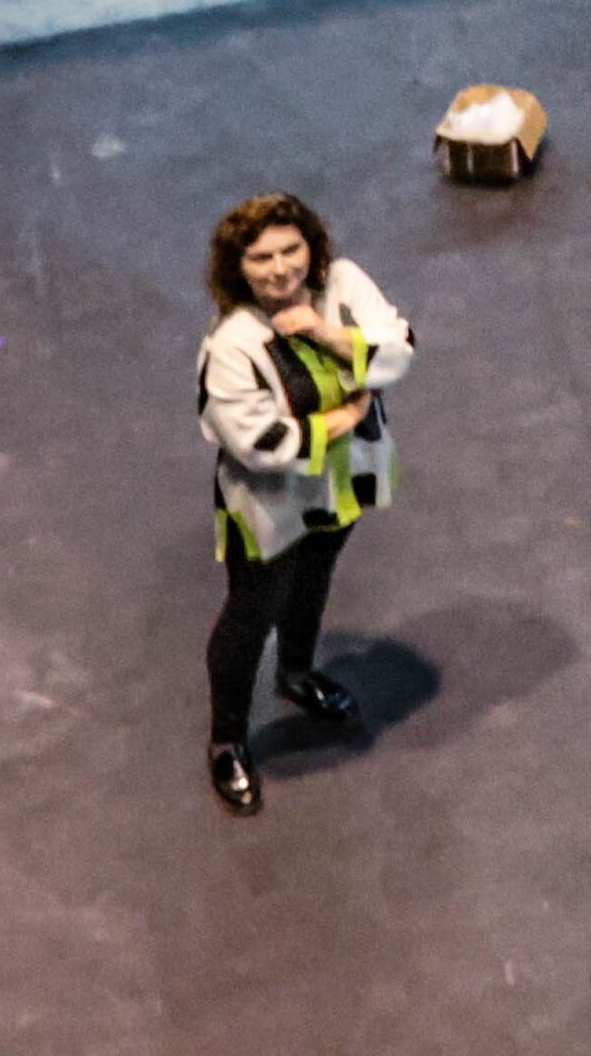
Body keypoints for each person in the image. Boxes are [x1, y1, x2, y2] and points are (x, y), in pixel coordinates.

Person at [195, 193, 414, 814]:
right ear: (236, 267)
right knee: (250, 612)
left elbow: (400, 348)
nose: (280, 267)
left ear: (312, 246)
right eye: (261, 257)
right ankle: (228, 740)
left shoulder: (341, 285)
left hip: (341, 485)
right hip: (269, 502)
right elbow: (256, 440)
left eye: (291, 248)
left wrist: (323, 332)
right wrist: (339, 422)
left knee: (314, 581)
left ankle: (296, 674)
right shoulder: (233, 342)